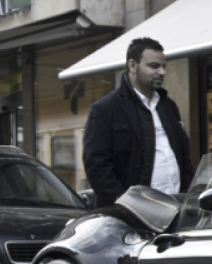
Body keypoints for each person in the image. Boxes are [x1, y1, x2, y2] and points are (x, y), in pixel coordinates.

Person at [83, 37, 194, 208]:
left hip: (176, 207)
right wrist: (127, 206)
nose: (162, 72)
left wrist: (187, 197)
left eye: (164, 66)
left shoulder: (169, 107)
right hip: (132, 215)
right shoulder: (105, 109)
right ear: (132, 66)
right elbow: (97, 168)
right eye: (154, 66)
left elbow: (184, 159)